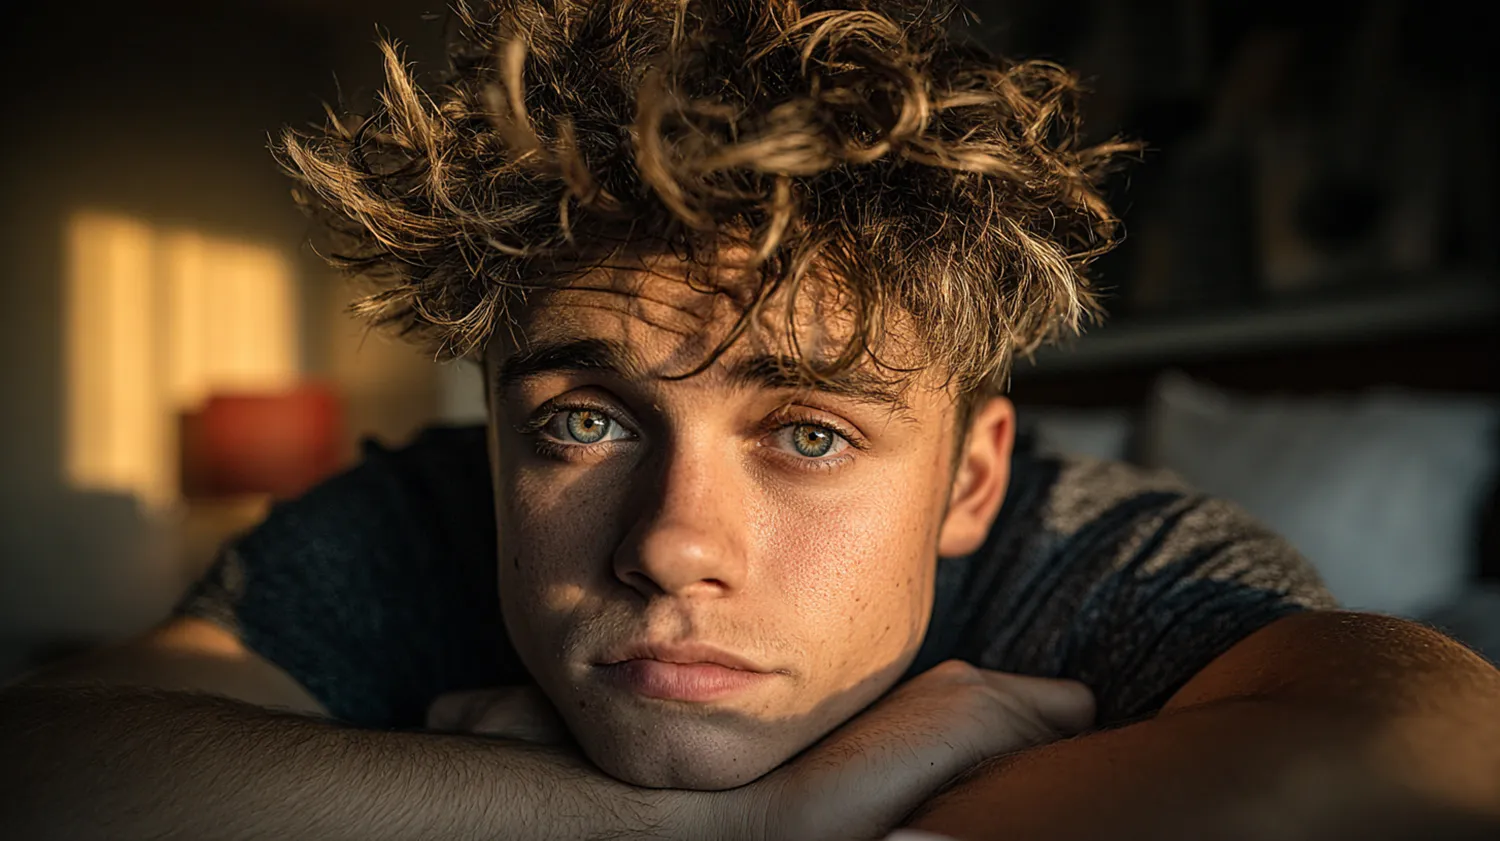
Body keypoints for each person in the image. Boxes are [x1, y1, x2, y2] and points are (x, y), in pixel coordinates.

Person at [3, 2, 1498, 839]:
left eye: (809, 432)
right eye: (585, 422)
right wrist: (722, 830)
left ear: (972, 475)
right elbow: (55, 766)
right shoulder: (422, 515)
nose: (671, 549)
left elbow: (1422, 771)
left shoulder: (1102, 560)